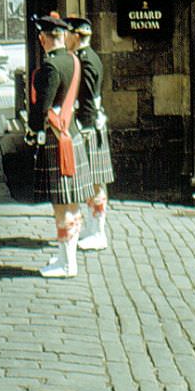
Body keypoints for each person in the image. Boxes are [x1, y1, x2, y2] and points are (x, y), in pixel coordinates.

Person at [26, 13, 94, 278]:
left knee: (61, 205)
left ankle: (67, 264)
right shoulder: (73, 60)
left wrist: (33, 132)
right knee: (73, 205)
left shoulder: (51, 67)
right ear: (63, 36)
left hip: (58, 138)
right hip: (72, 134)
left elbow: (41, 108)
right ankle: (68, 257)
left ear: (43, 39)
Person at [64, 15, 114, 251]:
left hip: (89, 126)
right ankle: (94, 229)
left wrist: (84, 127)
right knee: (93, 182)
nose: (65, 39)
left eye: (67, 34)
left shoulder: (86, 61)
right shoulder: (84, 58)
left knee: (95, 182)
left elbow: (90, 100)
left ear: (76, 35)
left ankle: (98, 232)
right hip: (90, 125)